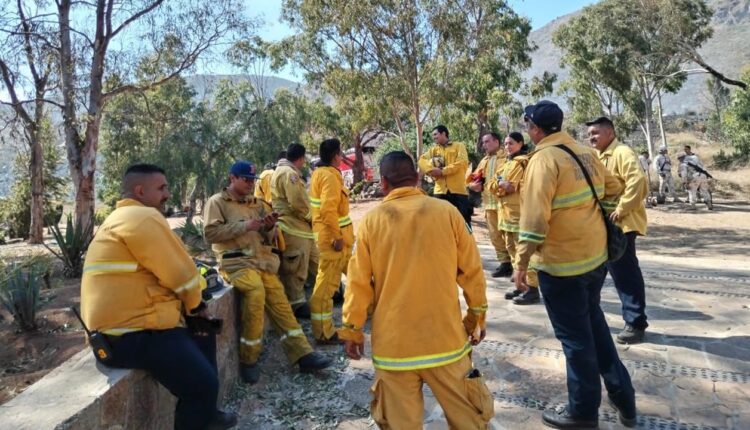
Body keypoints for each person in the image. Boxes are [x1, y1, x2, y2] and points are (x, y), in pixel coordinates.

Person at [341, 151, 493, 428]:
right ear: (418, 178)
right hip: (445, 343)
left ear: (384, 183)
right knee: (470, 420)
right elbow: (471, 271)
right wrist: (476, 317)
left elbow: (358, 283)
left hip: (394, 349)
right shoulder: (448, 213)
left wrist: (352, 330)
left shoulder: (371, 222)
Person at [81, 163, 237, 430]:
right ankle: (204, 408)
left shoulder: (121, 218)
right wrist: (197, 305)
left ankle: (208, 415)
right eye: (162, 188)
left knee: (203, 332)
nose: (167, 194)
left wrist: (193, 311)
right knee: (201, 386)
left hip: (125, 330)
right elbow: (181, 273)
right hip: (131, 334)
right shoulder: (142, 218)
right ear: (140, 190)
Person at [515, 101, 635, 429]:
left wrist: (520, 263)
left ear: (535, 128)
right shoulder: (586, 152)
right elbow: (614, 189)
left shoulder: (542, 160)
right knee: (595, 326)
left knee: (576, 341)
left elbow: (535, 221)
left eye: (527, 123)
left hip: (562, 265)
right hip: (595, 258)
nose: (527, 128)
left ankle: (582, 411)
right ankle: (624, 396)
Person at [203, 160, 332, 385]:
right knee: (255, 293)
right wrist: (245, 226)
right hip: (236, 264)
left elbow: (270, 236)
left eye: (252, 181)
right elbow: (211, 234)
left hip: (262, 262)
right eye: (245, 180)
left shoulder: (258, 203)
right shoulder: (217, 202)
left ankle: (303, 354)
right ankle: (248, 359)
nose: (250, 185)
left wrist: (270, 226)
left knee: (280, 302)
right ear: (232, 178)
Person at [587, 116, 649, 344]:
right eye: (589, 134)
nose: (591, 137)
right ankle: (590, 316)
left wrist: (622, 208)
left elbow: (638, 181)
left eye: (595, 133)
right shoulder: (597, 156)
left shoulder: (622, 152)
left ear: (610, 133)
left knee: (625, 273)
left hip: (622, 224)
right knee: (597, 271)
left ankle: (635, 323)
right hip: (602, 224)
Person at [309, 138, 354, 344]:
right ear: (336, 156)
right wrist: (337, 237)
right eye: (340, 153)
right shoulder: (329, 177)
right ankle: (323, 333)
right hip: (333, 241)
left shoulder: (322, 174)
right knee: (326, 287)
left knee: (352, 275)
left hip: (337, 238)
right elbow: (328, 211)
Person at [491, 132, 540, 305]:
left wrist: (503, 186)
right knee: (512, 251)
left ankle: (533, 289)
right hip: (505, 215)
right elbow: (493, 185)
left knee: (525, 254)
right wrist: (501, 186)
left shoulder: (523, 162)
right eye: (505, 143)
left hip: (519, 215)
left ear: (520, 143)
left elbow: (511, 186)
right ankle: (521, 286)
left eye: (511, 143)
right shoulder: (506, 163)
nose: (507, 146)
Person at [271, 144, 318, 319]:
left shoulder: (282, 171)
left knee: (314, 264)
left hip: (301, 230)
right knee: (295, 269)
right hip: (293, 229)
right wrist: (311, 217)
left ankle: (329, 293)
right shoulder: (288, 174)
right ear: (301, 158)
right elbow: (297, 201)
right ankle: (296, 305)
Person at [468, 132, 512, 277]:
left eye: (487, 141)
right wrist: (472, 185)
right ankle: (505, 264)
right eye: (483, 142)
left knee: (509, 236)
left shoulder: (507, 158)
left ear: (496, 142)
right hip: (489, 204)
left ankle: (517, 266)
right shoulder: (484, 161)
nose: (484, 145)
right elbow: (475, 178)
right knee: (495, 236)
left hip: (505, 204)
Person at [418, 125, 472, 224]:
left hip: (458, 191)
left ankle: (466, 239)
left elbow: (461, 163)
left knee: (464, 222)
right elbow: (422, 160)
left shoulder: (459, 146)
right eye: (433, 136)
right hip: (440, 192)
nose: (434, 137)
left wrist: (443, 171)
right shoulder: (433, 150)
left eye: (435, 134)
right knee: (439, 222)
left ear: (443, 133)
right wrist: (430, 171)